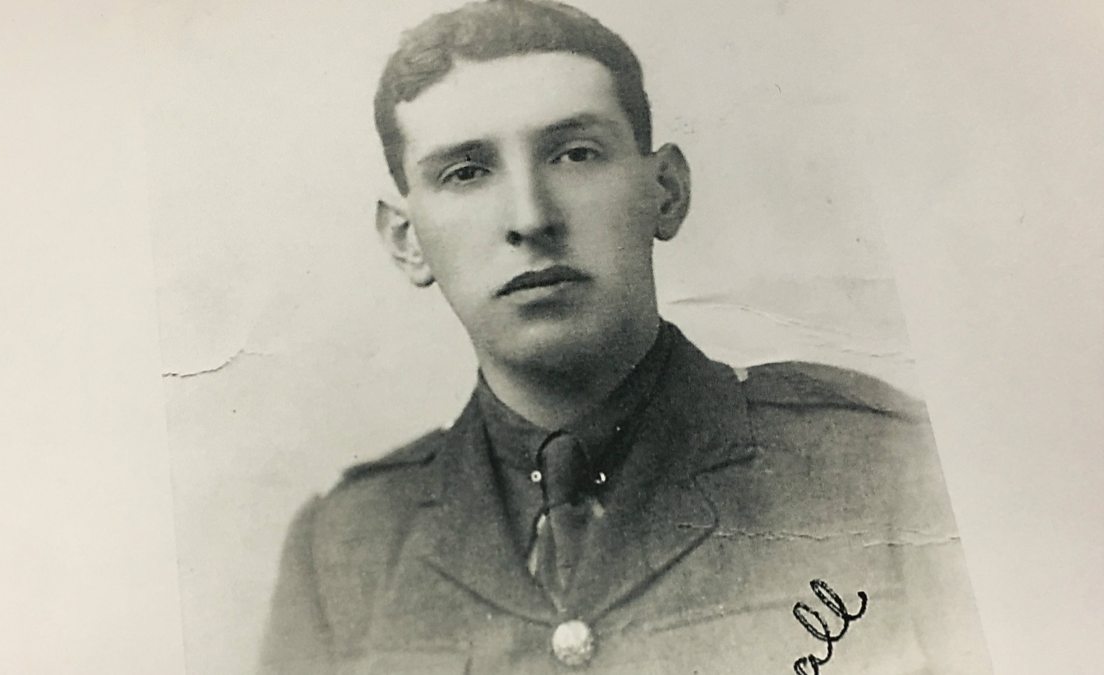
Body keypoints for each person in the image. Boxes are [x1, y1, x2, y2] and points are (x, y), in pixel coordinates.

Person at [260, 1, 991, 672]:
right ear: (406, 240)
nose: (530, 217)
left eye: (574, 154)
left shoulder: (881, 467)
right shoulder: (344, 549)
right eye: (466, 171)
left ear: (665, 190)